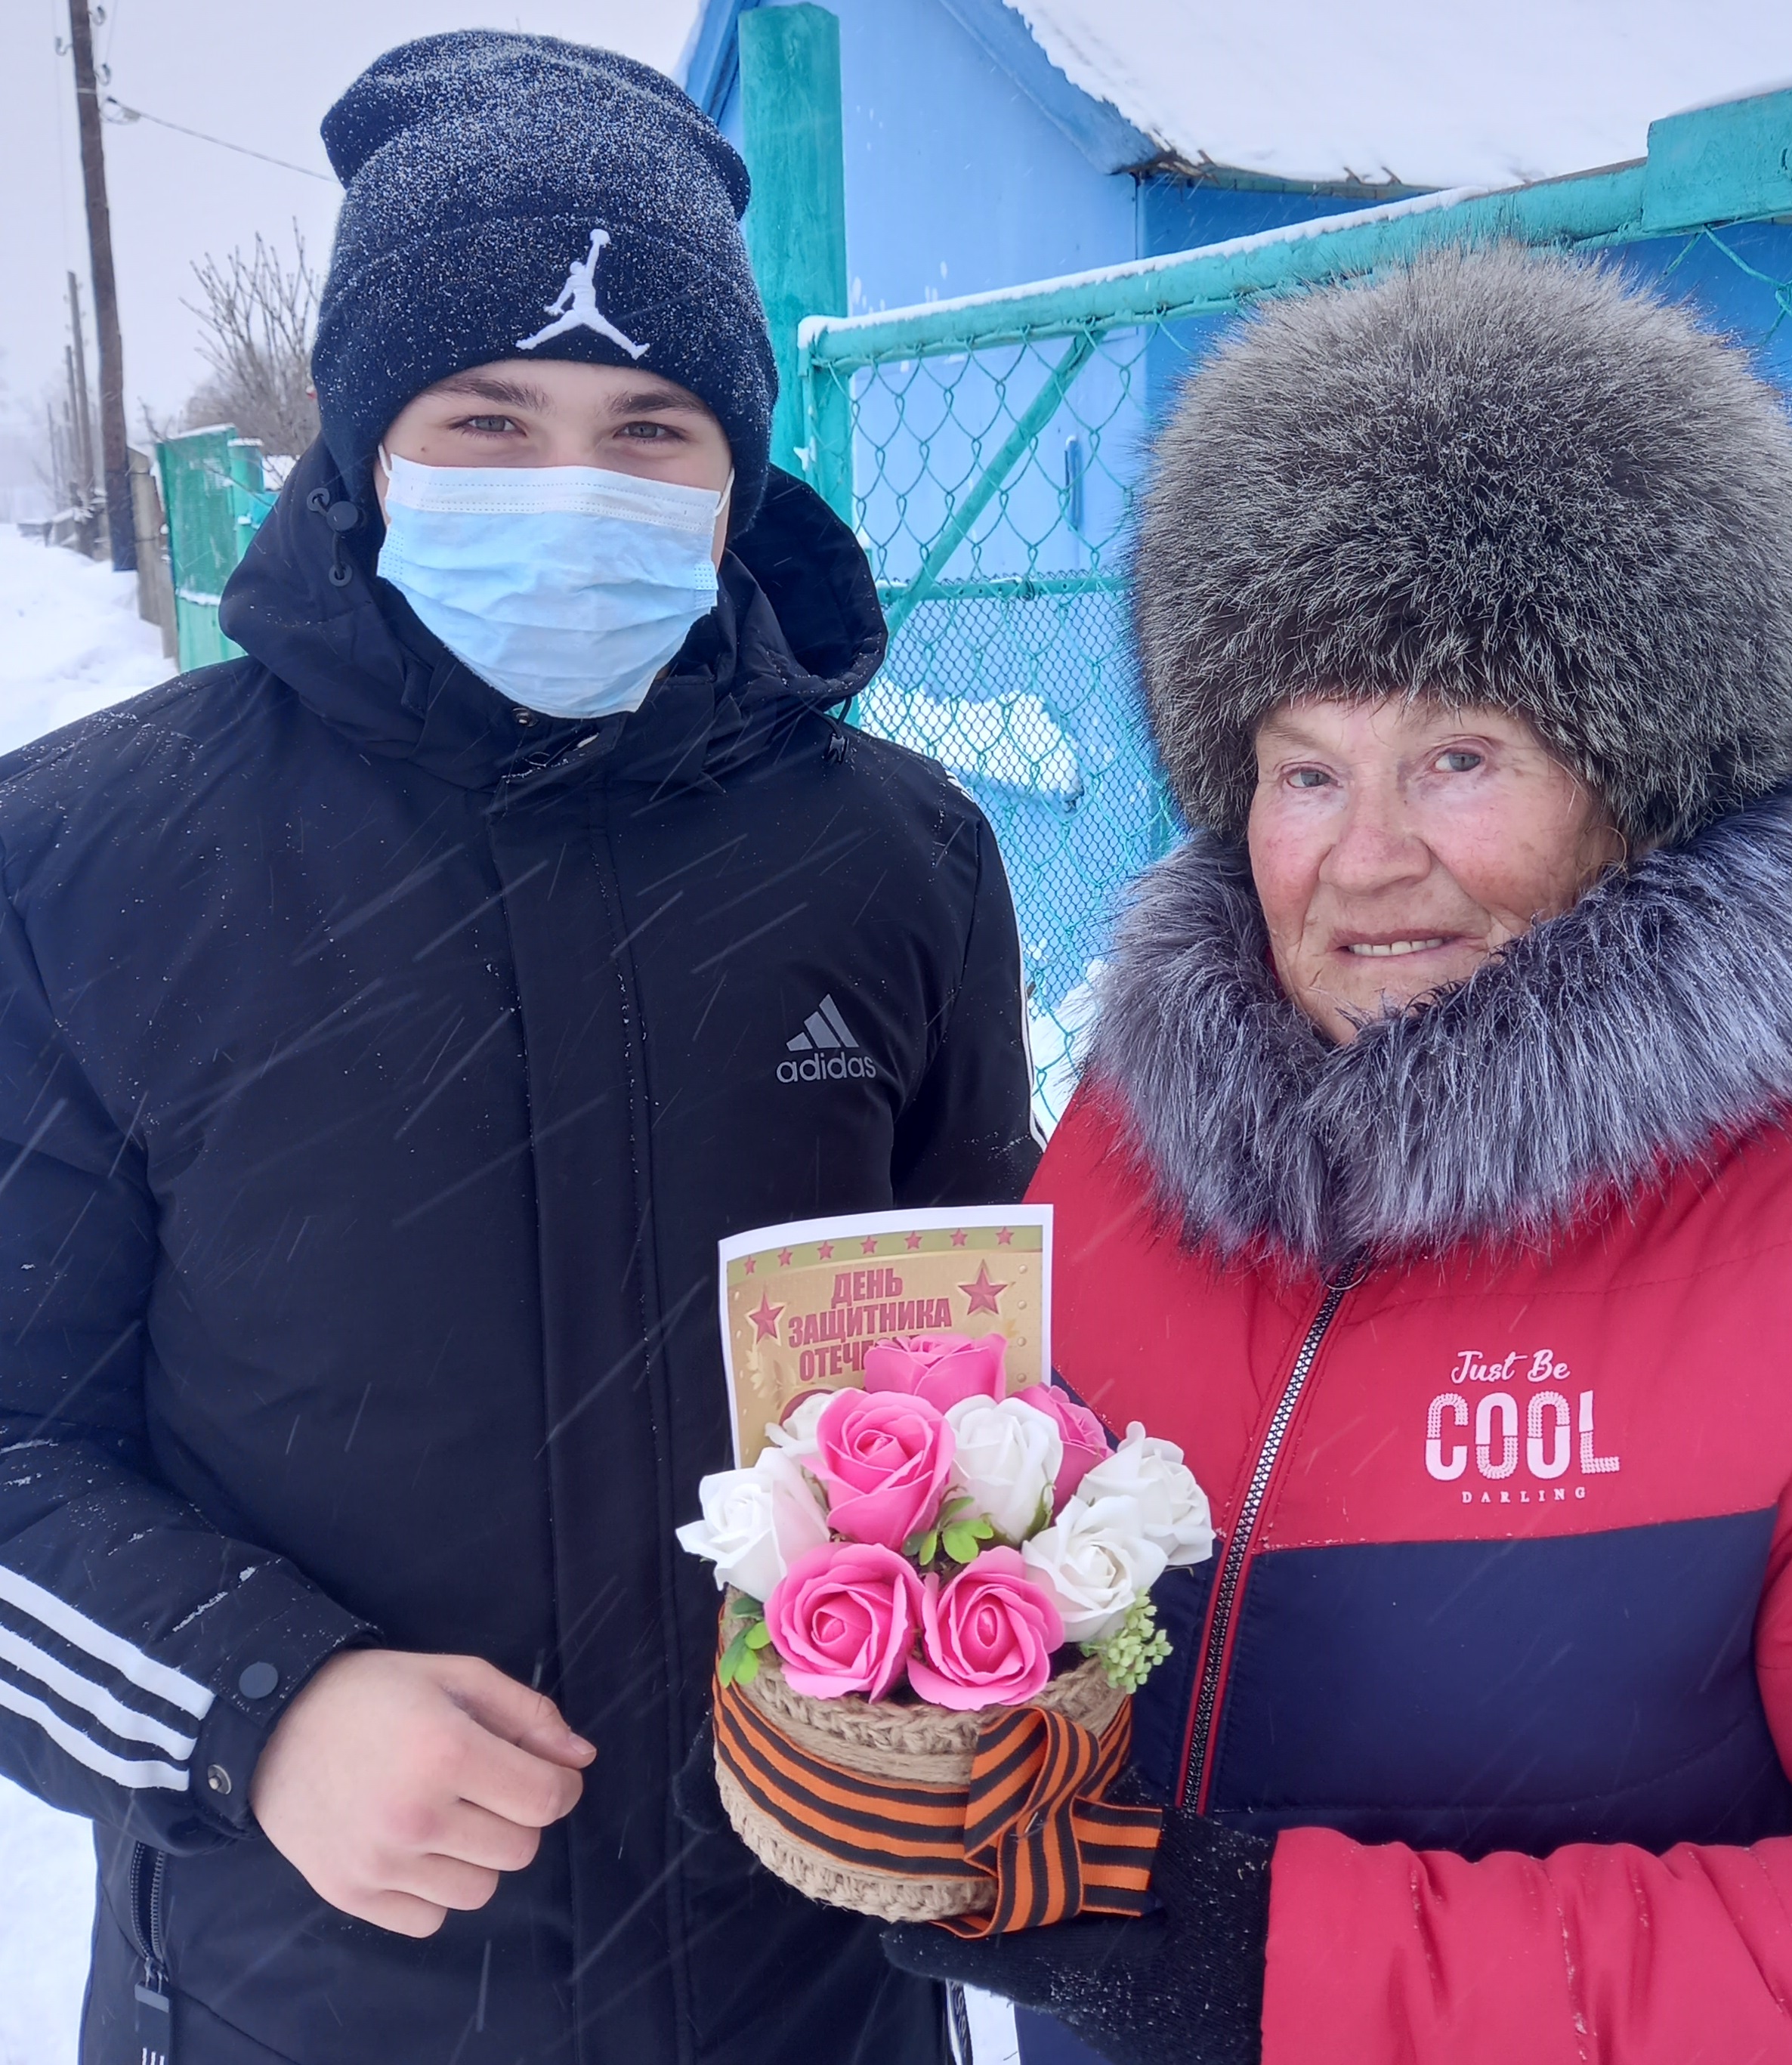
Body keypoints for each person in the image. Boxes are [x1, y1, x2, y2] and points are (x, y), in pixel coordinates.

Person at [887, 246, 1792, 2063]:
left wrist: (1276, 1956)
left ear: (1642, 780)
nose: (1359, 859)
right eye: (1302, 767)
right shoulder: (1129, 1159)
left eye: (1457, 755)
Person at [0, 32, 1033, 2065]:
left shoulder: (896, 857)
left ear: (739, 470)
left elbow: (982, 1387)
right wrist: (257, 1704)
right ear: (360, 442)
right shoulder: (82, 862)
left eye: (650, 427)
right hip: (297, 2005)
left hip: (806, 1999)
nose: (571, 487)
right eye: (487, 415)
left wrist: (978, 1630)